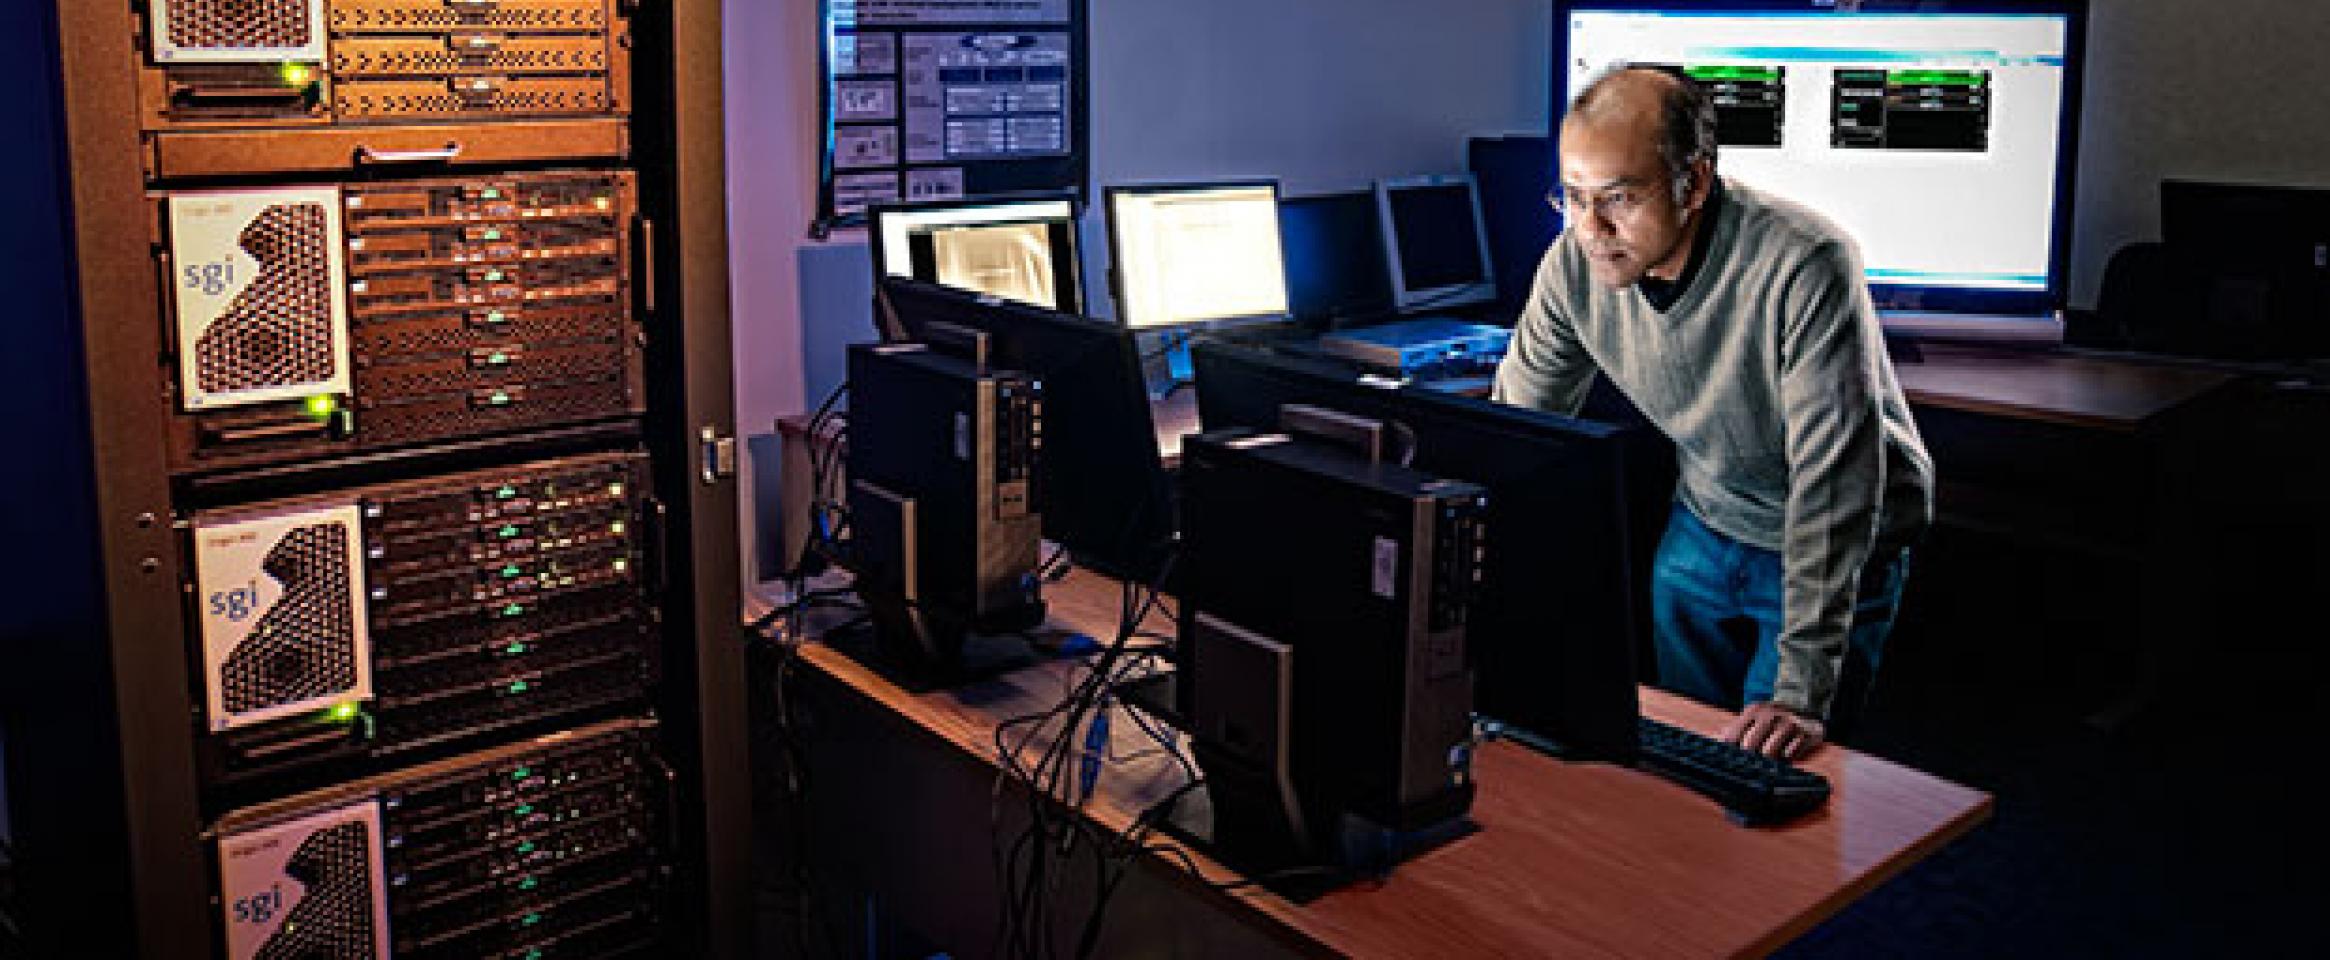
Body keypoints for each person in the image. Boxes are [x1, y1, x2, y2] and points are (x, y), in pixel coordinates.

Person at [1492, 66, 1933, 760]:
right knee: (1681, 758)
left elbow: (1835, 482)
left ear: (1693, 183)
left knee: (1776, 773)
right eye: (1572, 198)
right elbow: (1515, 436)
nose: (1590, 228)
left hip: (1827, 532)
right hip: (1708, 515)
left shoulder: (1805, 262)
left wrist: (1801, 690)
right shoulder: (1577, 261)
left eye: (1617, 198)